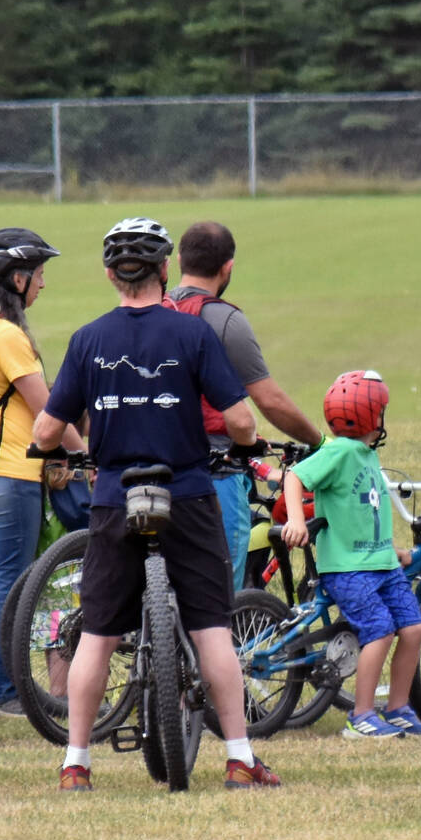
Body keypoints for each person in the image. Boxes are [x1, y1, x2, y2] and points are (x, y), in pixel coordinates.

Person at [32, 217, 281, 791]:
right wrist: (246, 448)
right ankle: (240, 756)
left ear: (110, 275)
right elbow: (241, 419)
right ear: (164, 269)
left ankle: (75, 762)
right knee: (211, 627)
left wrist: (48, 446)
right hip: (187, 494)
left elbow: (48, 428)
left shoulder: (89, 339)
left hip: (115, 499)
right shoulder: (193, 335)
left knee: (97, 631)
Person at [0, 227, 89, 717]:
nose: (43, 285)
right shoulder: (7, 335)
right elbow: (47, 410)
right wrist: (85, 453)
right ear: (18, 277)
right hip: (12, 472)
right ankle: (1, 694)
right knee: (10, 583)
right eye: (40, 275)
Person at [161, 221, 324, 586]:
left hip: (152, 462)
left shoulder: (155, 308)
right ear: (227, 267)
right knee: (218, 595)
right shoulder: (224, 320)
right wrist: (318, 441)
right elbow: (269, 401)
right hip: (214, 471)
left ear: (180, 260)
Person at [279, 370, 421, 739]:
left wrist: (393, 551)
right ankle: (361, 716)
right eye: (381, 410)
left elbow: (365, 513)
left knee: (414, 627)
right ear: (372, 417)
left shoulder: (366, 455)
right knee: (380, 631)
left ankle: (398, 707)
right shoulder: (340, 451)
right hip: (349, 570)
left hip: (381, 564)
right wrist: (295, 520)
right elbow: (295, 477)